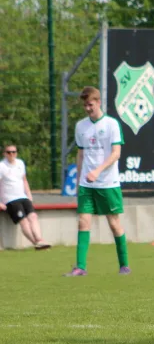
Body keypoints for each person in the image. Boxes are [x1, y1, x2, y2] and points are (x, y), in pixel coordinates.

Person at [64, 87, 130, 276]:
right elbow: (81, 153)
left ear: (98, 102)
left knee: (114, 224)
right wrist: (78, 181)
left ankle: (124, 265)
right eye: (84, 105)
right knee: (83, 222)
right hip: (87, 185)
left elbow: (116, 153)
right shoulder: (81, 126)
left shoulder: (111, 125)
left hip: (108, 183)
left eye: (90, 104)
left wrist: (97, 171)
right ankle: (80, 267)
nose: (87, 108)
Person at [0, 145, 51, 250]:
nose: (12, 154)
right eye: (9, 152)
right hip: (10, 199)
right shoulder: (2, 166)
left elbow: (24, 180)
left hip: (23, 196)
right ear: (4, 154)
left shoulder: (20, 163)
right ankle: (36, 243)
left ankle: (40, 240)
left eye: (14, 152)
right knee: (23, 221)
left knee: (33, 217)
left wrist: (29, 194)